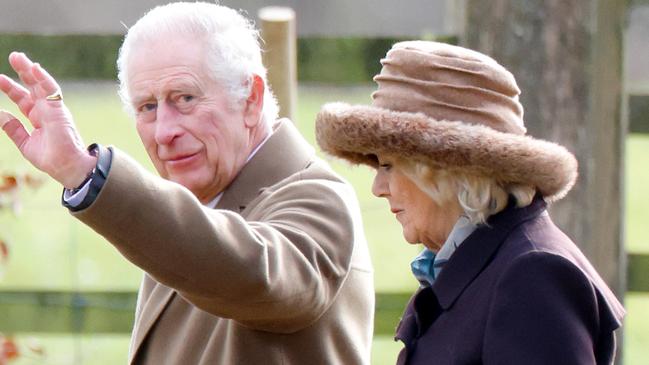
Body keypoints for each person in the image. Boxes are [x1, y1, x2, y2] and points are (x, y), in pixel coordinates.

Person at [0, 2, 374, 364]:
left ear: (250, 99)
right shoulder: (192, 203)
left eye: (185, 99)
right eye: (147, 107)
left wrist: (88, 175)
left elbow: (251, 275)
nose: (164, 132)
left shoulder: (319, 198)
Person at [316, 41, 625, 364]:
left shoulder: (533, 275)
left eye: (388, 165)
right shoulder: (477, 262)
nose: (378, 187)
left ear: (444, 169)